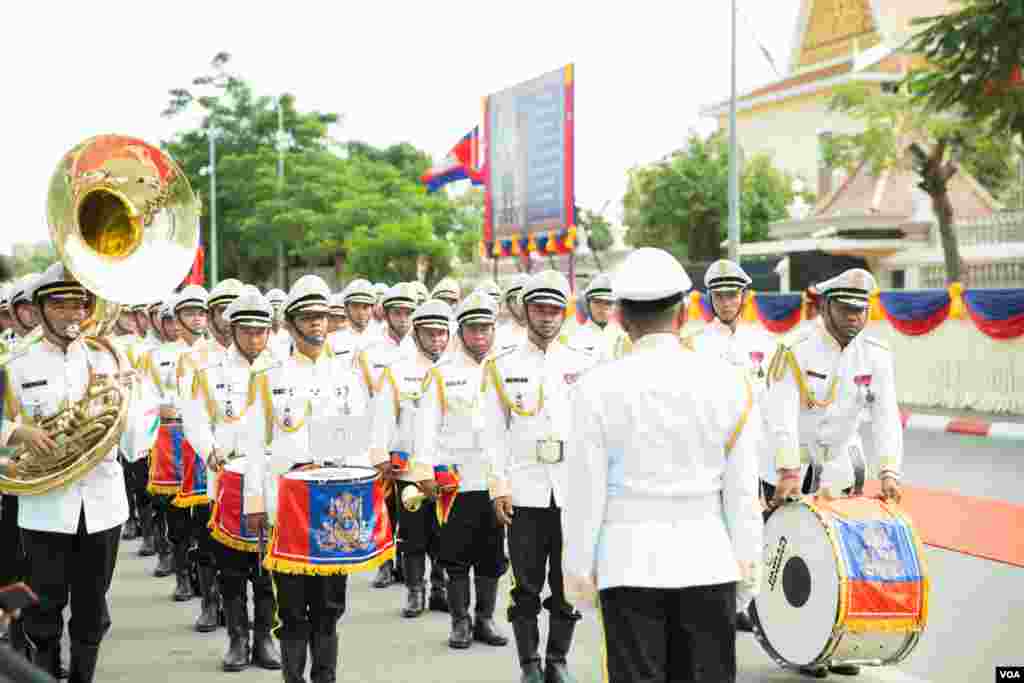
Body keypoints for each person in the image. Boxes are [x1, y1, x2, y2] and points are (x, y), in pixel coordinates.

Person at [562, 248, 762, 683]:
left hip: (627, 566)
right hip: (709, 560)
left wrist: (578, 575)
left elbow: (583, 494)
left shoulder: (594, 389)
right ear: (686, 311)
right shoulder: (731, 384)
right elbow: (743, 492)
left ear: (619, 317)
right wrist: (747, 572)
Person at [763, 268, 902, 679]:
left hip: (840, 469)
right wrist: (788, 469)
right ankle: (790, 644)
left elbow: (885, 417)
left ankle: (833, 646)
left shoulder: (876, 354)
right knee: (791, 562)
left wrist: (889, 470)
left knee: (839, 563)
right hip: (793, 467)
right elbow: (781, 415)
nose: (855, 318)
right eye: (845, 309)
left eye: (861, 310)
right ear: (825, 306)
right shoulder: (794, 348)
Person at [0, 264, 131, 682]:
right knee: (44, 604)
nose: (72, 312)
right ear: (39, 310)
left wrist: (125, 415)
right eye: (59, 304)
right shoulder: (15, 365)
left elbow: (138, 437)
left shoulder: (109, 357)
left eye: (79, 304)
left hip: (103, 502)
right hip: (45, 506)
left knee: (93, 606)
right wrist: (16, 430)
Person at [241, 274, 367, 683]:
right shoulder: (268, 376)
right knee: (292, 606)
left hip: (336, 503)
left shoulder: (347, 374)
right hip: (287, 504)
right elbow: (255, 446)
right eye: (307, 317)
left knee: (330, 606)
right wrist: (254, 502)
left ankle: (325, 677)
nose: (316, 325)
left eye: (322, 317)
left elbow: (359, 443)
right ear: (290, 323)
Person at [482, 270, 592, 683]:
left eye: (554, 310)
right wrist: (498, 485)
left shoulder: (584, 363)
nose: (547, 317)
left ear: (564, 314)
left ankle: (557, 661)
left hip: (572, 493)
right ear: (526, 311)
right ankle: (529, 664)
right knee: (526, 584)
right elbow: (492, 433)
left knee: (568, 585)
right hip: (525, 492)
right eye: (539, 309)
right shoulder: (501, 365)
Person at [182, 289, 281, 672]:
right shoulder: (209, 374)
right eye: (247, 331)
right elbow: (195, 422)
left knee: (268, 567)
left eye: (261, 332)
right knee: (232, 567)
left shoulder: (282, 371)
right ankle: (237, 639)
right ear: (233, 330)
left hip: (271, 482)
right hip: (227, 480)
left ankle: (265, 638)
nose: (254, 339)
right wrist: (210, 450)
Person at [415, 291, 509, 650]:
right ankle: (459, 622)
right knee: (455, 554)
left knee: (492, 554)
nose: (480, 336)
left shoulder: (505, 369)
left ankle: (485, 618)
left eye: (486, 328)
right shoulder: (442, 374)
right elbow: (426, 426)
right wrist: (424, 468)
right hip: (455, 478)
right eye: (473, 329)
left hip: (495, 477)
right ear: (461, 331)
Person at [368, 296, 452, 617]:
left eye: (442, 333)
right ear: (416, 333)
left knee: (445, 531)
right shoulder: (398, 371)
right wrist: (379, 454)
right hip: (409, 466)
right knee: (414, 532)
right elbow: (383, 416)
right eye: (430, 333)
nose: (437, 339)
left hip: (446, 465)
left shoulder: (455, 370)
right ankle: (415, 592)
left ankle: (440, 588)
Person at [566, 273, 628, 365]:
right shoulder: (572, 336)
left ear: (616, 306)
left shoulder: (624, 337)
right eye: (597, 302)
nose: (602, 308)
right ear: (588, 303)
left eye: (608, 303)